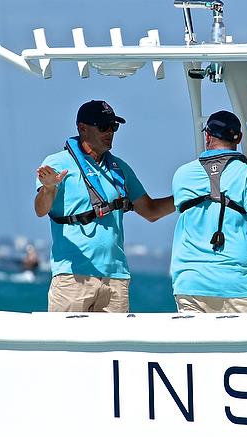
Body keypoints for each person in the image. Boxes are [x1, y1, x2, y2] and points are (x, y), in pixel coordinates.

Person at [35, 100, 175, 313]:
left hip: (115, 278)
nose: (110, 131)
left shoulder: (119, 168)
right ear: (82, 128)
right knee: (66, 345)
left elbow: (151, 211)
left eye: (113, 126)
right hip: (73, 277)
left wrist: (186, 196)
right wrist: (48, 188)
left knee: (115, 347)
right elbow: (40, 210)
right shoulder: (57, 163)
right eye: (103, 126)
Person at [170, 110, 247, 313]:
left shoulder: (182, 174)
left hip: (191, 282)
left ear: (207, 136)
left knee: (197, 344)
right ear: (239, 138)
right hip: (238, 284)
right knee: (244, 345)